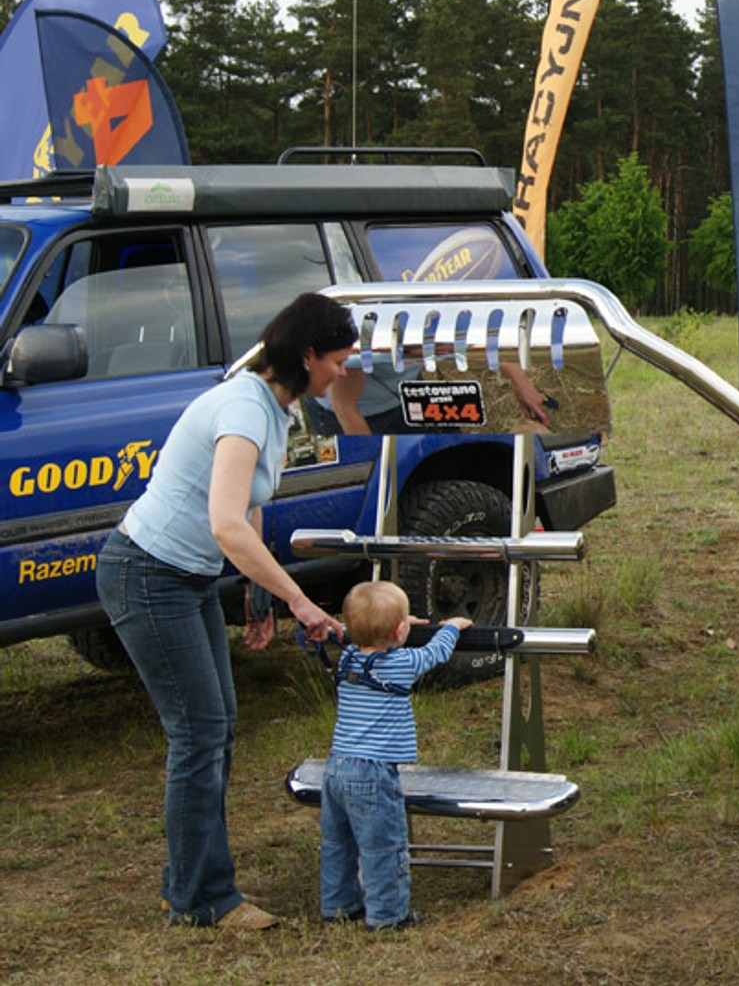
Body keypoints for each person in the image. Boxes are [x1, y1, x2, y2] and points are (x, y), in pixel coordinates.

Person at [94, 291, 357, 930]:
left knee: (217, 725)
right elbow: (224, 524)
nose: (343, 374)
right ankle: (202, 897)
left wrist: (257, 594)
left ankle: (187, 880)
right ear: (308, 354)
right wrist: (299, 600)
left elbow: (251, 505)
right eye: (339, 360)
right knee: (199, 733)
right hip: (147, 575)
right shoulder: (242, 407)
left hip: (183, 580)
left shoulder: (278, 406)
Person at [319, 580, 471, 930]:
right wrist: (451, 627)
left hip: (335, 768)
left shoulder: (349, 657)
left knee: (337, 844)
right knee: (383, 848)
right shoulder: (399, 664)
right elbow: (435, 654)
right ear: (400, 630)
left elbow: (361, 632)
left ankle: (338, 907)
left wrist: (393, 624)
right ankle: (388, 917)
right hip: (372, 775)